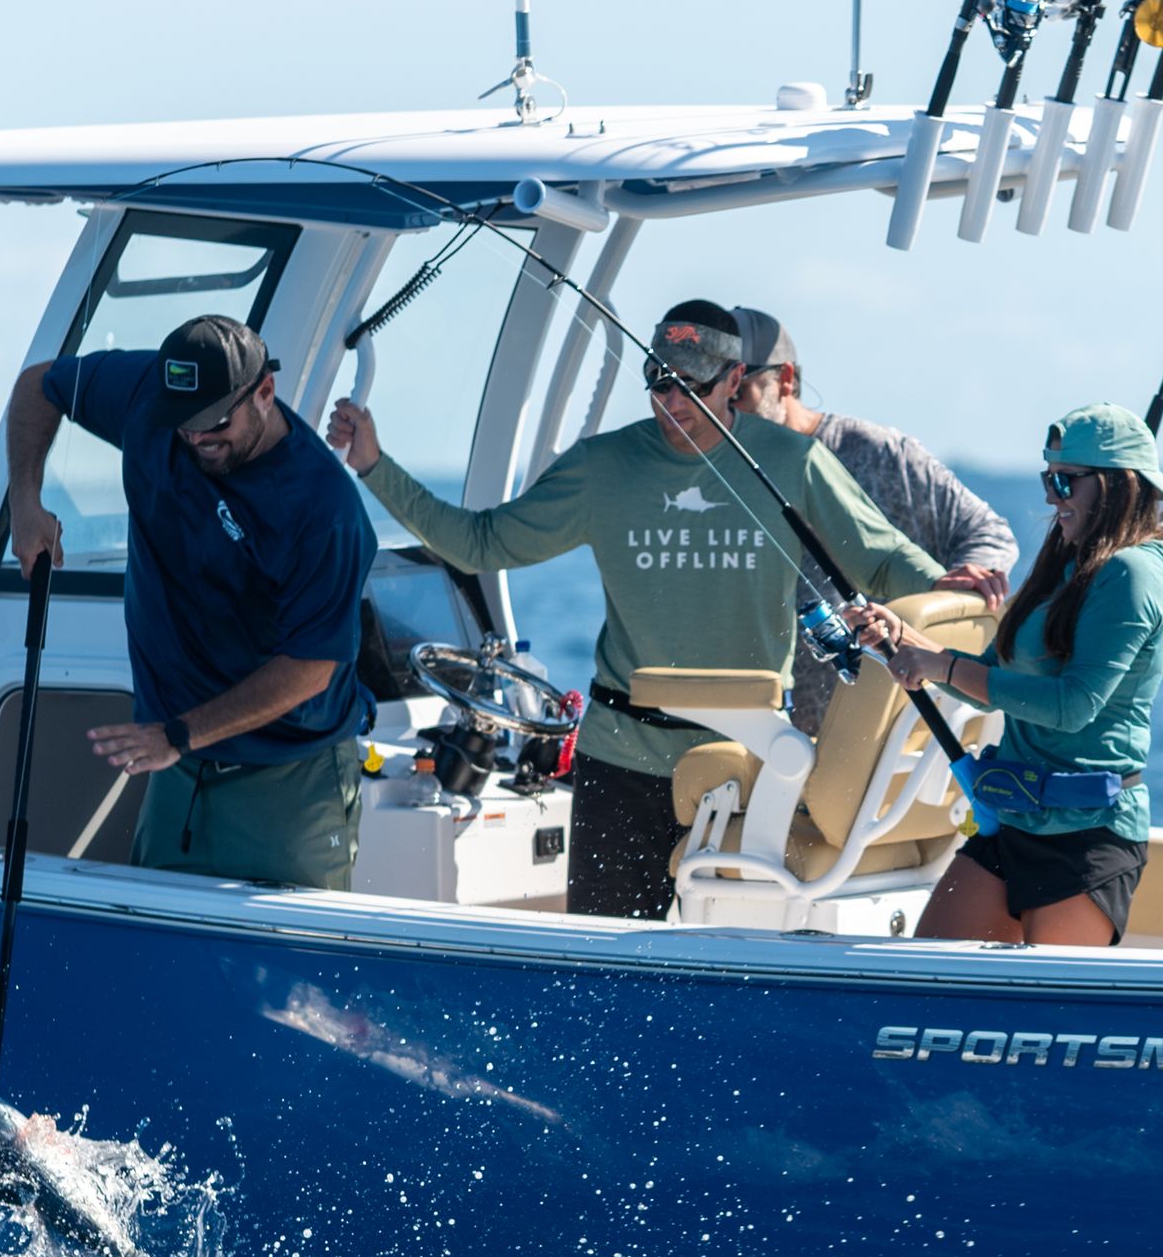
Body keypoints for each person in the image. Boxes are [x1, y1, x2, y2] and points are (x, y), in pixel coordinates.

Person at [327, 299, 957, 921]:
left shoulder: (794, 464)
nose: (672, 404)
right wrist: (375, 467)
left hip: (745, 765)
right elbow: (482, 542)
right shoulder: (604, 467)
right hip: (622, 762)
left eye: (693, 387)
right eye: (659, 384)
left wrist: (967, 606)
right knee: (603, 973)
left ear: (736, 381)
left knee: (723, 974)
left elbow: (891, 564)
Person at [4, 315, 376, 889]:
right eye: (183, 425)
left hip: (288, 779)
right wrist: (23, 504)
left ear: (265, 393)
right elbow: (40, 384)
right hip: (177, 765)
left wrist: (177, 735)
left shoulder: (324, 510)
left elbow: (311, 669)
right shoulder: (149, 396)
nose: (197, 439)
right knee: (154, 963)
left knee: (285, 977)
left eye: (215, 423)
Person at [859, 403, 1163, 947]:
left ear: (1115, 486)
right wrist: (902, 639)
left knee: (1050, 1019)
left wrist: (941, 665)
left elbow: (1071, 706)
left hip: (1088, 837)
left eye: (1064, 481)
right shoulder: (1065, 564)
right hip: (1014, 826)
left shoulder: (1133, 574)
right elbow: (987, 680)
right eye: (1047, 477)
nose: (1050, 496)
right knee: (929, 979)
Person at [727, 307, 1017, 738]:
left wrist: (970, 580)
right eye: (711, 394)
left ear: (785, 379)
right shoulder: (714, 473)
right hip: (769, 738)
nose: (725, 410)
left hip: (878, 745)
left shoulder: (879, 452)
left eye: (741, 391)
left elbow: (988, 533)